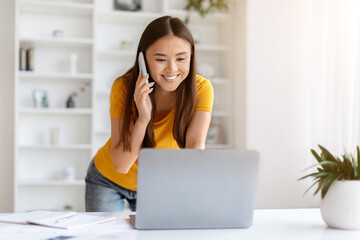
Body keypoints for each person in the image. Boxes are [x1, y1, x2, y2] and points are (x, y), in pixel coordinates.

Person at [85, 15, 214, 212]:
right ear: (143, 58)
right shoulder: (123, 87)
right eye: (160, 59)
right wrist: (143, 117)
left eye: (181, 58)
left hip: (157, 185)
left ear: (191, 57)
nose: (171, 68)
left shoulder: (201, 89)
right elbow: (121, 164)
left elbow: (195, 148)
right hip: (108, 180)